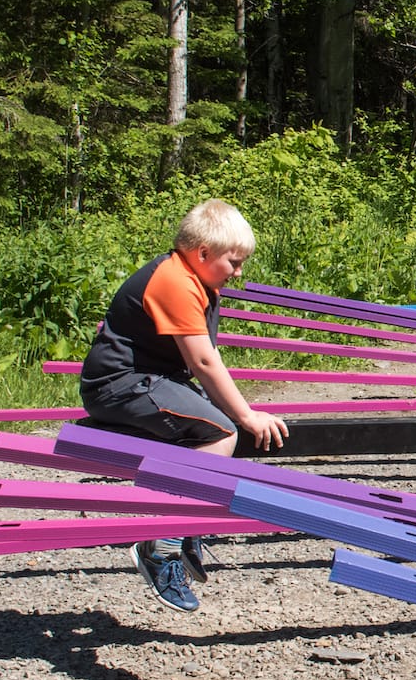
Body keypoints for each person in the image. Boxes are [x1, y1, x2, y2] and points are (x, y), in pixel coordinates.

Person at [79, 198, 290, 613]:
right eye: (234, 261)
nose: (239, 272)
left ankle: (187, 520)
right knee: (222, 433)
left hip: (152, 381)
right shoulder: (175, 281)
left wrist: (232, 407)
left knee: (215, 425)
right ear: (203, 253)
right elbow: (203, 361)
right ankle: (161, 545)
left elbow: (203, 359)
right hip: (120, 384)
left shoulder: (196, 281)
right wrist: (244, 415)